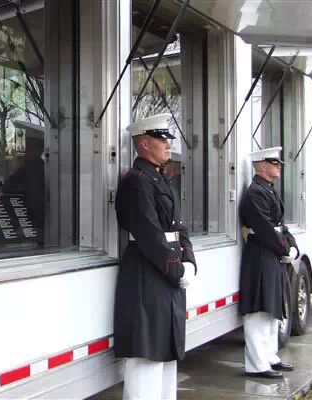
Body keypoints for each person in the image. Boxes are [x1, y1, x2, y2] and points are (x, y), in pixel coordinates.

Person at [114, 113, 197, 400]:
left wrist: (190, 262)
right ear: (144, 144)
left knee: (166, 349)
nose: (168, 144)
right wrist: (177, 270)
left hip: (166, 271)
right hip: (147, 271)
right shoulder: (136, 181)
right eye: (161, 139)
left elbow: (179, 227)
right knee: (147, 353)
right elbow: (149, 234)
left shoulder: (161, 179)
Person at [239, 146, 297, 379]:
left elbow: (280, 226)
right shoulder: (255, 193)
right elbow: (265, 229)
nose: (279, 166)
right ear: (262, 166)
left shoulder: (268, 190)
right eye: (274, 163)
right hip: (260, 254)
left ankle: (269, 356)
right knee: (259, 310)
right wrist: (285, 248)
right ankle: (256, 364)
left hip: (271, 254)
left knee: (272, 307)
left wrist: (292, 245)